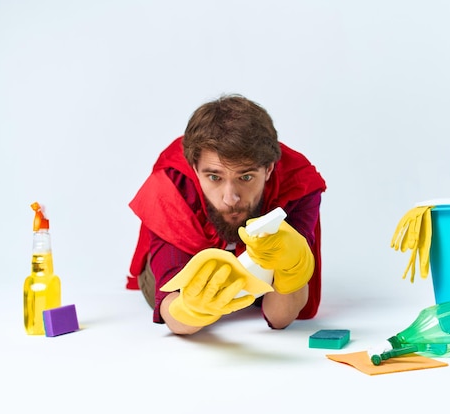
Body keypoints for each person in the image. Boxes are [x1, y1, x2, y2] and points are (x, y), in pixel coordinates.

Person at [126, 94, 327, 335]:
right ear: (194, 170)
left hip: (256, 271)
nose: (230, 197)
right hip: (184, 261)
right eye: (214, 177)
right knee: (177, 302)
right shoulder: (173, 181)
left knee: (281, 272)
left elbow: (281, 318)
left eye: (245, 177)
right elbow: (177, 321)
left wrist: (292, 266)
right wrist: (191, 309)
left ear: (269, 169)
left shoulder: (297, 183)